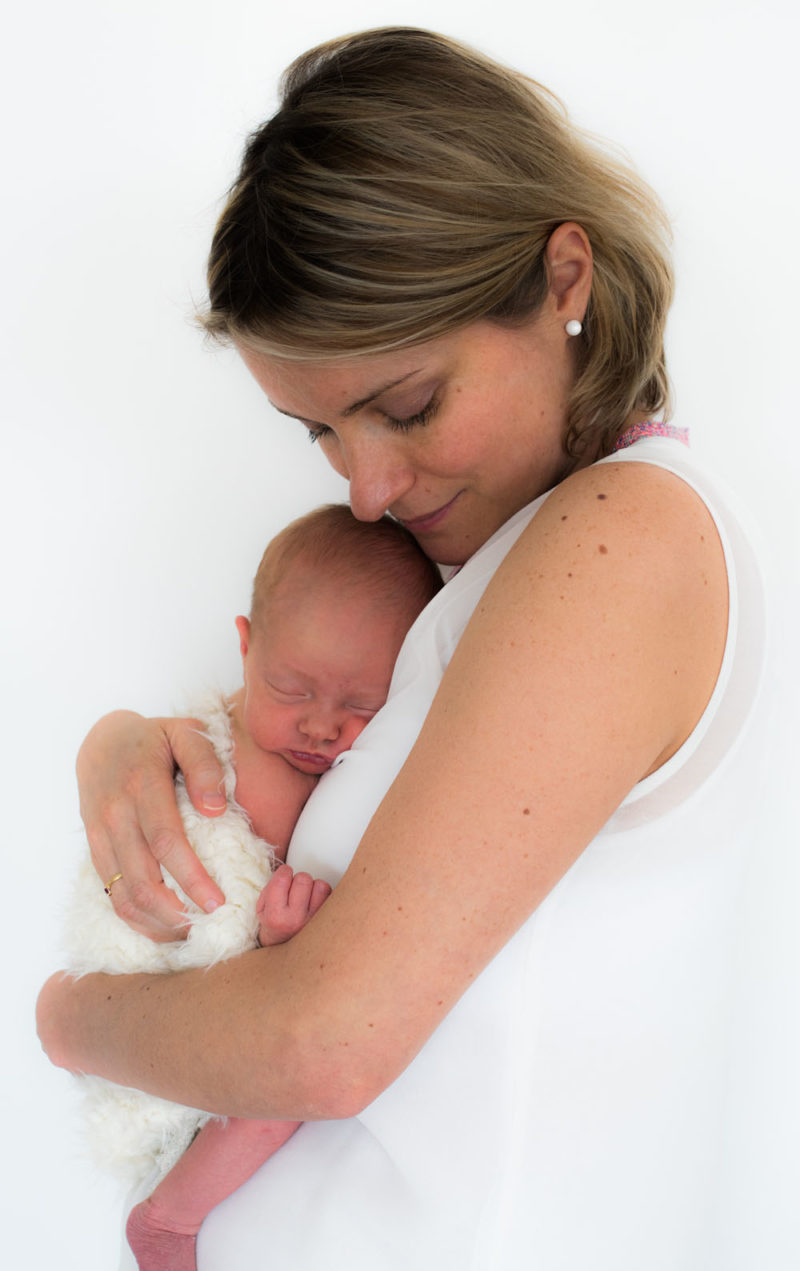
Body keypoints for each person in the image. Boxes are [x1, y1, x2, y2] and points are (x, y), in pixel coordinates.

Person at [37, 27, 779, 1270]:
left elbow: (322, 1040)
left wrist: (71, 1017)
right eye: (316, 432)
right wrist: (142, 756)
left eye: (407, 404)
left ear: (562, 279)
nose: (368, 488)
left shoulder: (622, 539)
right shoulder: (494, 573)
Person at [63, 502, 442, 1271]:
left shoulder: (352, 774)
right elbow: (204, 915)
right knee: (278, 1101)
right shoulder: (207, 750)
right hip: (154, 979)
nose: (321, 726)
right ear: (244, 646)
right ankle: (169, 1217)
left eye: (361, 704)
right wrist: (266, 943)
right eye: (291, 687)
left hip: (161, 1010)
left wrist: (272, 941)